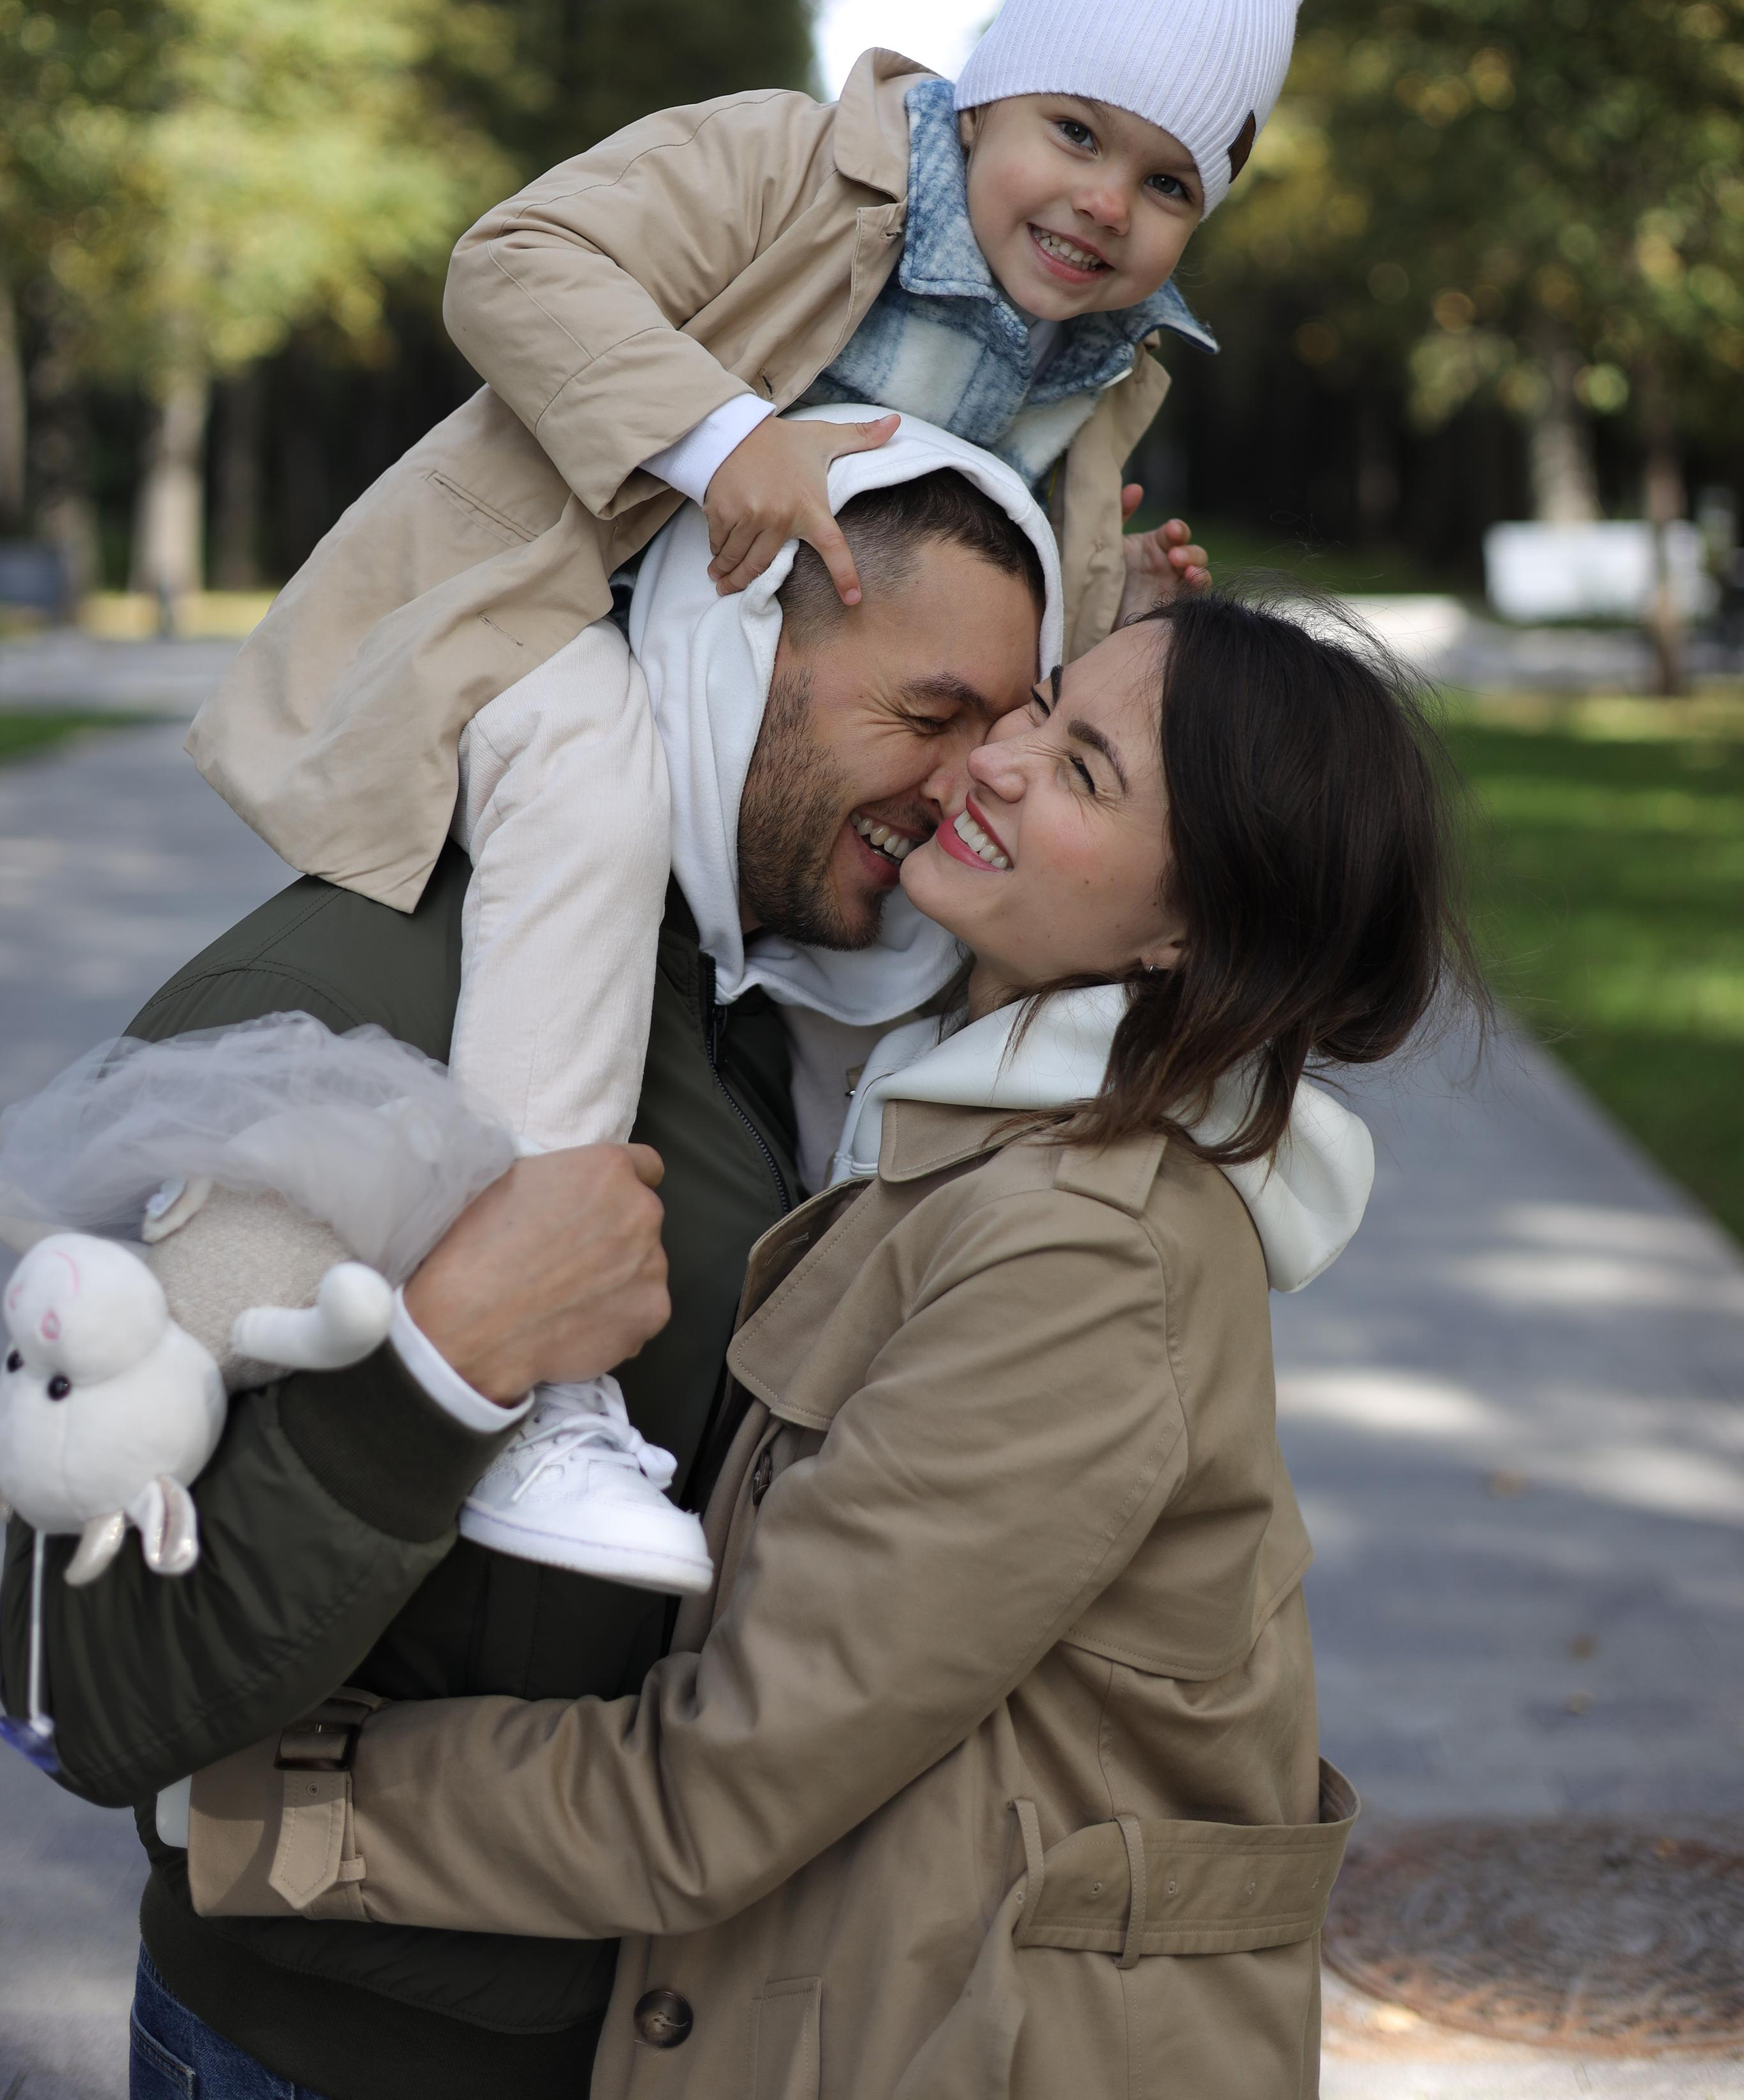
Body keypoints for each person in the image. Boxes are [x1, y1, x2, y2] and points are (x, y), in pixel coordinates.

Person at [180, 0, 1317, 1577]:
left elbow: (994, 599)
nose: (1106, 198)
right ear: (982, 104)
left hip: (782, 734)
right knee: (591, 805)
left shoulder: (1106, 374)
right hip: (570, 612)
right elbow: (516, 263)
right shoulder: (792, 166)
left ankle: (845, 1357)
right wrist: (725, 440)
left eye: (1172, 182)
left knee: (904, 965)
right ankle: (541, 1394)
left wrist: (1114, 626)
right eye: (1077, 130)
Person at [174, 591, 1480, 2100]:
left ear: (1192, 933)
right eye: (1037, 706)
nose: (992, 760)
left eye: (1081, 773)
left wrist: (261, 1795)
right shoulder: (970, 1121)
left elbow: (716, 1789)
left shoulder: (1082, 1259)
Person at [1, 456, 1059, 2100]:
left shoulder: (806, 1011)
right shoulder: (345, 997)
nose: (963, 781)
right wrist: (434, 1370)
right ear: (730, 651)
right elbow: (67, 1676)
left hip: (689, 2033)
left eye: (1007, 733)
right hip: (331, 2060)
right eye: (929, 714)